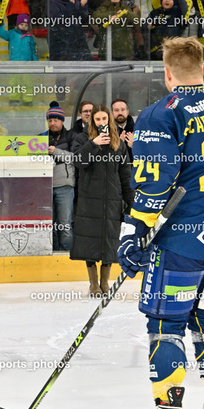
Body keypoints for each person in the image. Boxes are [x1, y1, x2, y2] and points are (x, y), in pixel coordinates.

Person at [117, 29, 204, 409]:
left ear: (167, 74)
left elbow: (154, 188)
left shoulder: (160, 114)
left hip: (181, 245)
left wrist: (133, 237)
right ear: (203, 68)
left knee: (166, 326)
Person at [70, 104, 133, 295]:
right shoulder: (82, 139)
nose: (101, 122)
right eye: (97, 119)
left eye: (104, 119)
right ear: (91, 121)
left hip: (113, 200)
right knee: (90, 241)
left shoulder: (118, 144)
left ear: (109, 119)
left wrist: (130, 202)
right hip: (89, 200)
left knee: (109, 240)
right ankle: (93, 283)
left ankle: (105, 282)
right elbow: (79, 161)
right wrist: (93, 144)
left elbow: (125, 175)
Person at [41, 101, 76, 251]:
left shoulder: (71, 136)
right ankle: (52, 252)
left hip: (64, 186)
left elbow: (75, 157)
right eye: (50, 120)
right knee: (49, 225)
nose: (52, 123)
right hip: (45, 186)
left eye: (55, 120)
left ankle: (67, 254)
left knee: (65, 224)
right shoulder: (41, 138)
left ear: (62, 121)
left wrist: (55, 151)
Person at [0, 14, 37, 105]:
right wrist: (1, 26)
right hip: (14, 62)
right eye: (22, 24)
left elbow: (33, 50)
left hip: (26, 63)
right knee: (14, 81)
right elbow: (2, 34)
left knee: (27, 81)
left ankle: (27, 99)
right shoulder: (12, 33)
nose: (23, 27)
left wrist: (35, 62)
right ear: (17, 24)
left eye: (26, 25)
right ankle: (14, 98)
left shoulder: (29, 37)